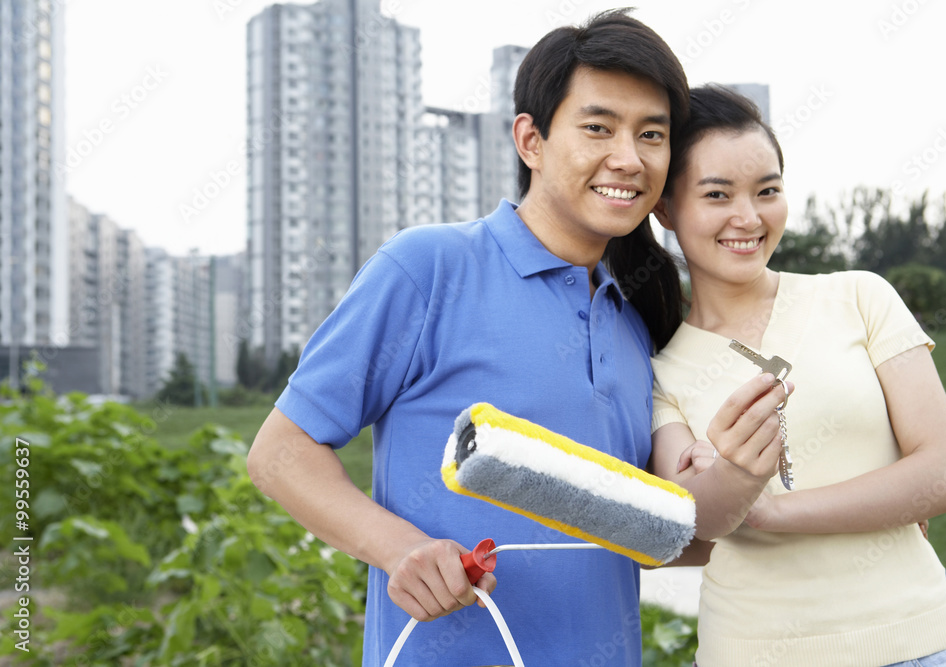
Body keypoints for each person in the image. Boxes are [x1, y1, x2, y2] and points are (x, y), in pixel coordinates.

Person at [246, 10, 774, 665]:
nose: (628, 158)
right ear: (531, 140)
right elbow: (279, 452)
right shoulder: (427, 268)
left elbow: (662, 540)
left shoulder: (637, 322)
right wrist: (398, 548)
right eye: (597, 128)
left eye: (652, 134)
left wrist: (757, 486)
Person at [647, 84, 946, 666]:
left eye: (767, 190)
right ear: (667, 209)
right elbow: (694, 523)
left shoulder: (859, 296)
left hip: (917, 644)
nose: (748, 217)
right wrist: (730, 484)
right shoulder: (660, 370)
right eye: (717, 194)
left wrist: (768, 510)